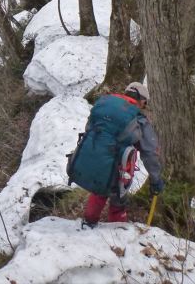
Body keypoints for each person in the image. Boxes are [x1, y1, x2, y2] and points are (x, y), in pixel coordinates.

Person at [68, 82, 164, 227]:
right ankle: (117, 230)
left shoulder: (104, 104)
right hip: (118, 167)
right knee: (119, 196)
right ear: (141, 100)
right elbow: (150, 152)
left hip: (94, 157)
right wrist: (156, 179)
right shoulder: (138, 118)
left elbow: (89, 128)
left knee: (100, 189)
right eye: (145, 103)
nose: (144, 106)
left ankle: (88, 223)